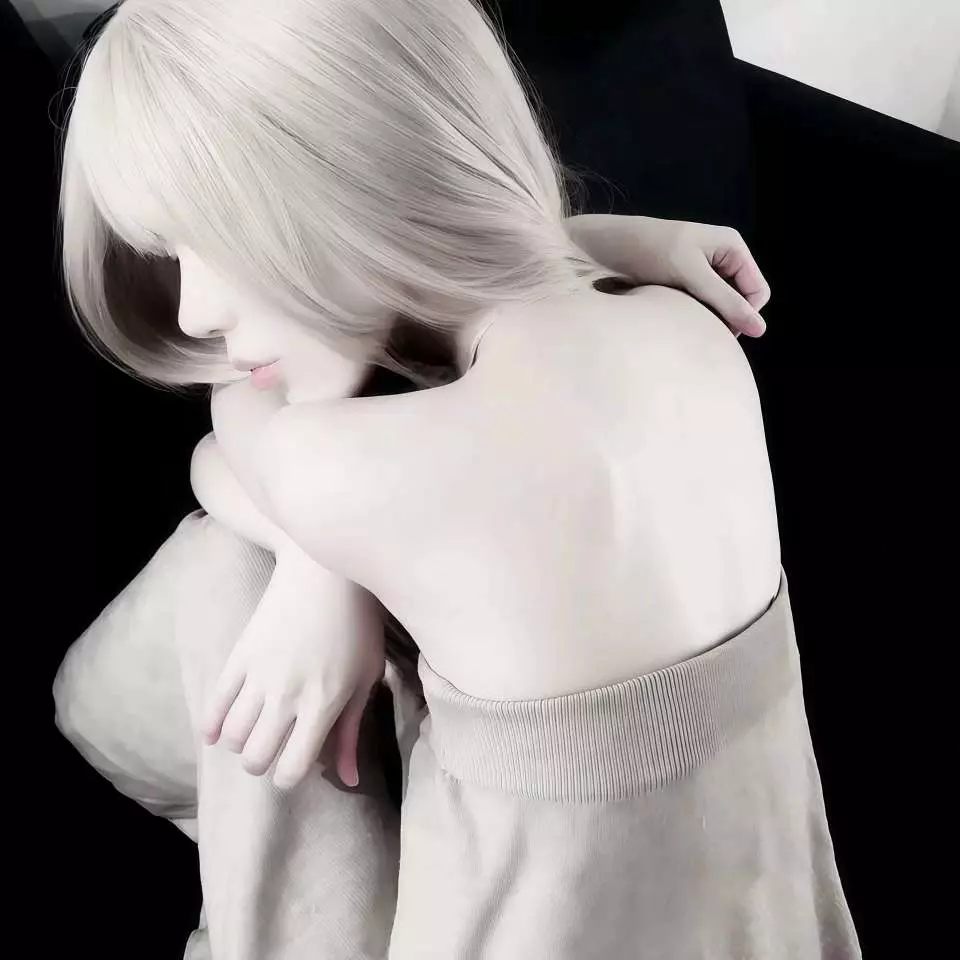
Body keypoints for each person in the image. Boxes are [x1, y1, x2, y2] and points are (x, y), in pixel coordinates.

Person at [52, 1, 860, 958]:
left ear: (343, 179)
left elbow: (224, 442)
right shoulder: (688, 331)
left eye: (206, 237)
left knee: (215, 573)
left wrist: (316, 561)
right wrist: (609, 243)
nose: (193, 310)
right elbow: (482, 266)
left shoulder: (355, 471)